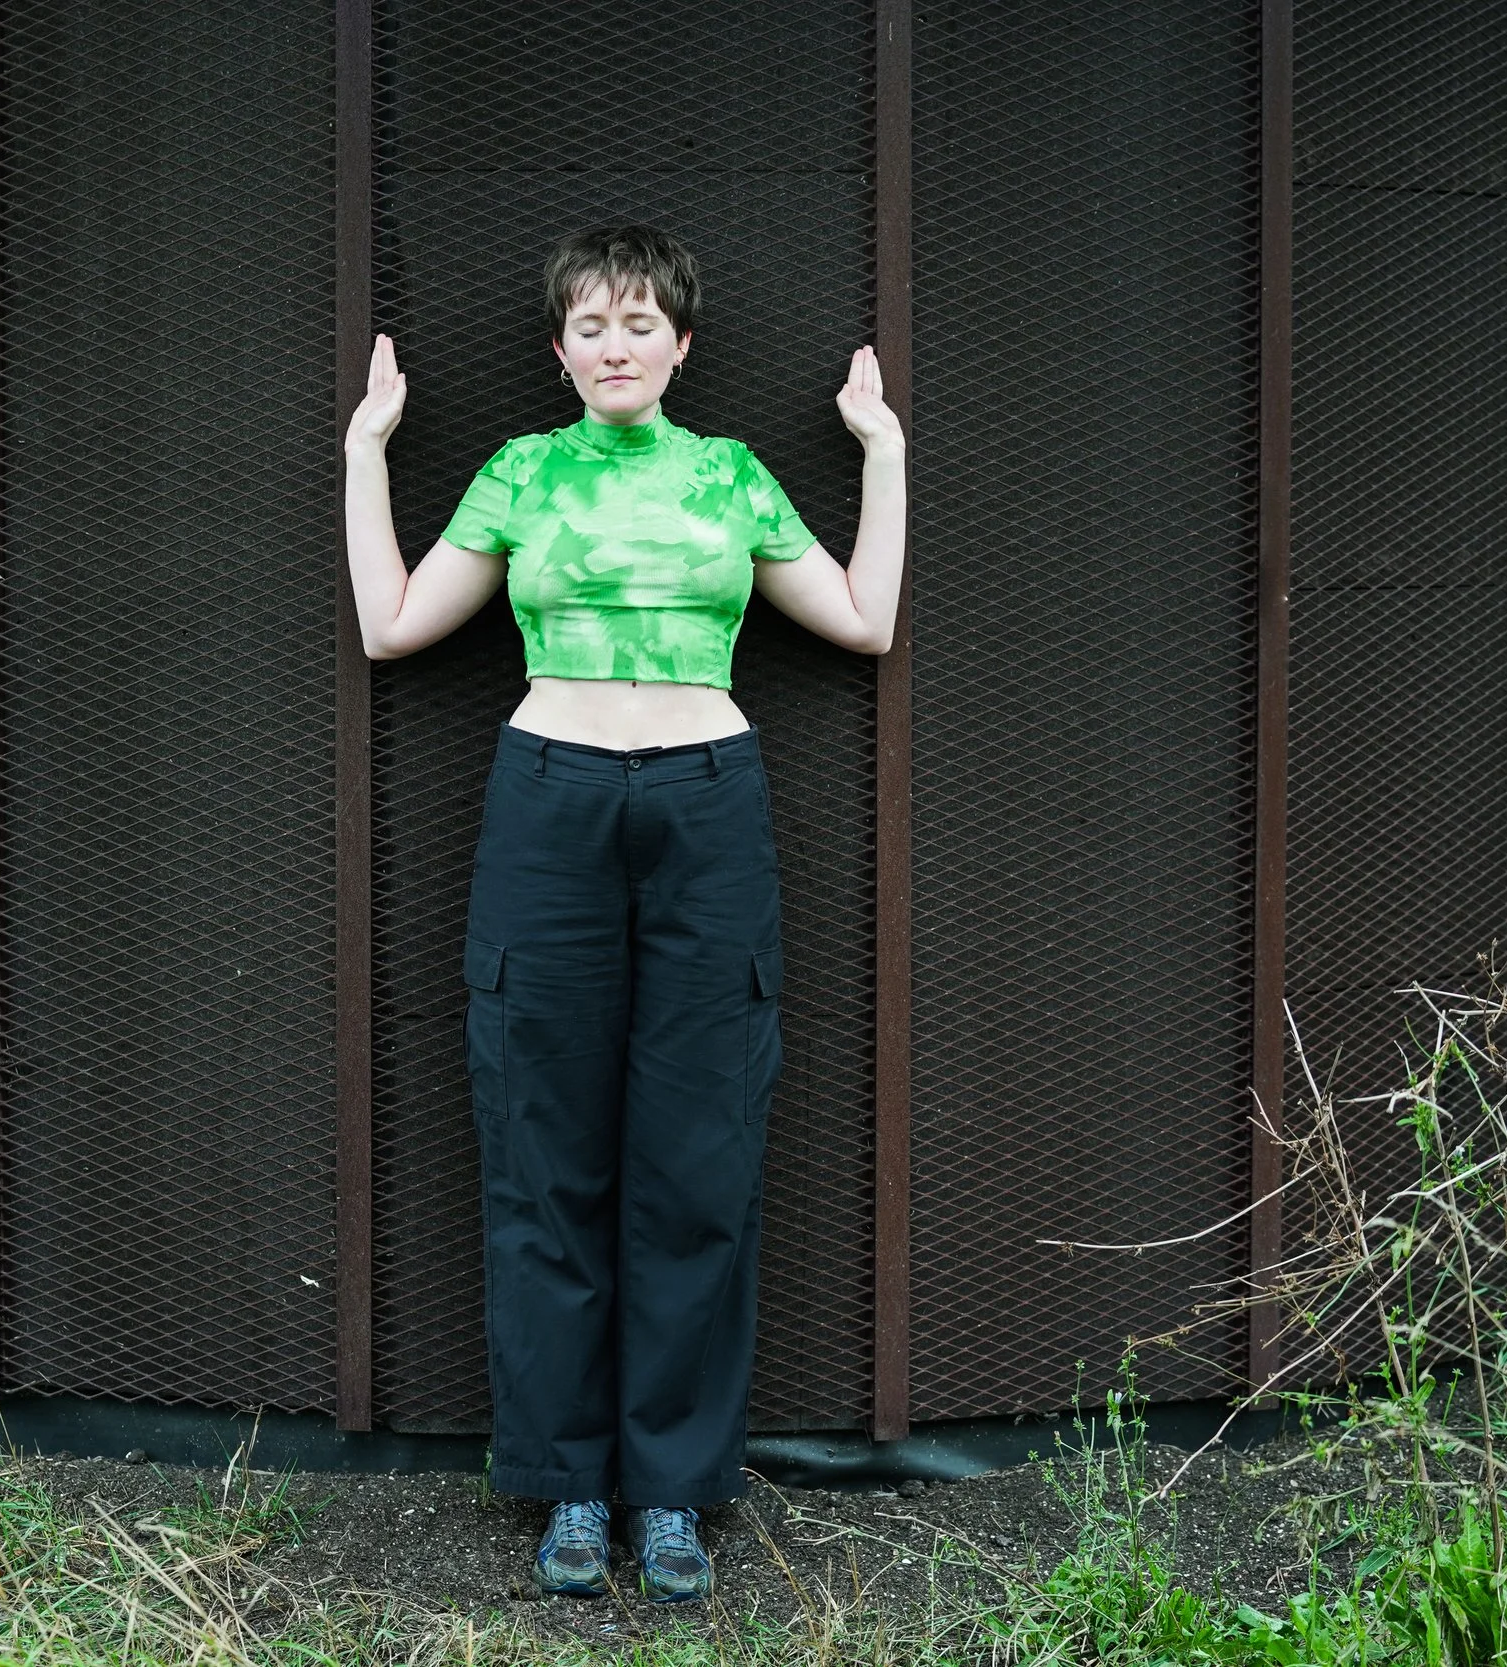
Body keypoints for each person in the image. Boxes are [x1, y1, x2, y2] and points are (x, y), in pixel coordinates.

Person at [341, 224, 906, 1603]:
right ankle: (571, 1485)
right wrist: (367, 455)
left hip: (711, 807)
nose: (615, 346)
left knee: (698, 1155)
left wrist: (881, 453)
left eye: (639, 323)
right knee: (544, 1146)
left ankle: (672, 1494)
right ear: (559, 350)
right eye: (590, 326)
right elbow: (396, 624)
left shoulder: (730, 476)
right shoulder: (521, 472)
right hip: (551, 808)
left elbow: (863, 618)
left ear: (680, 343)